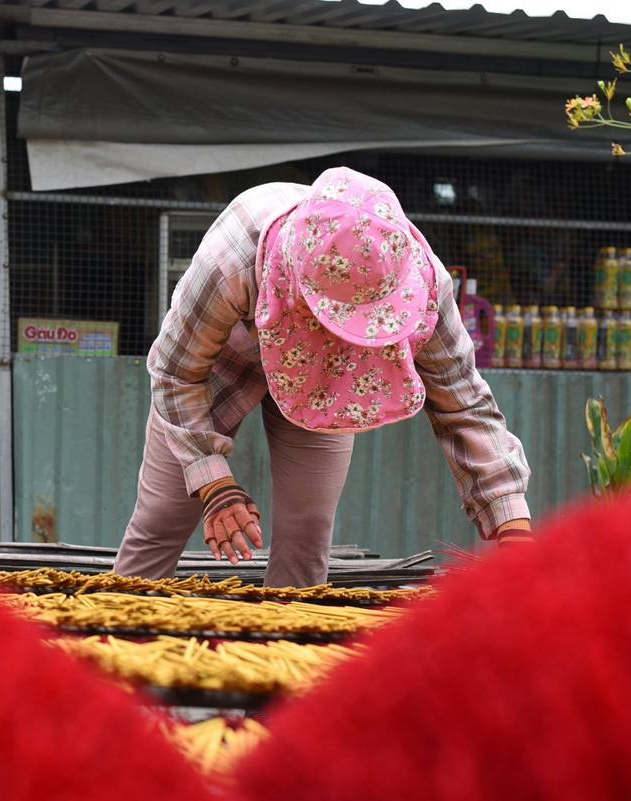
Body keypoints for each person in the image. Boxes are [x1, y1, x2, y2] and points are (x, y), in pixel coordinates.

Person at [114, 167, 532, 589]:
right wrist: (214, 481)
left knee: (307, 532)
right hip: (223, 361)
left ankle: (284, 649)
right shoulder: (232, 258)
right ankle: (114, 641)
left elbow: (463, 400)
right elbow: (175, 373)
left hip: (333, 378)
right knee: (161, 519)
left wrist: (511, 520)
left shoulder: (421, 281)